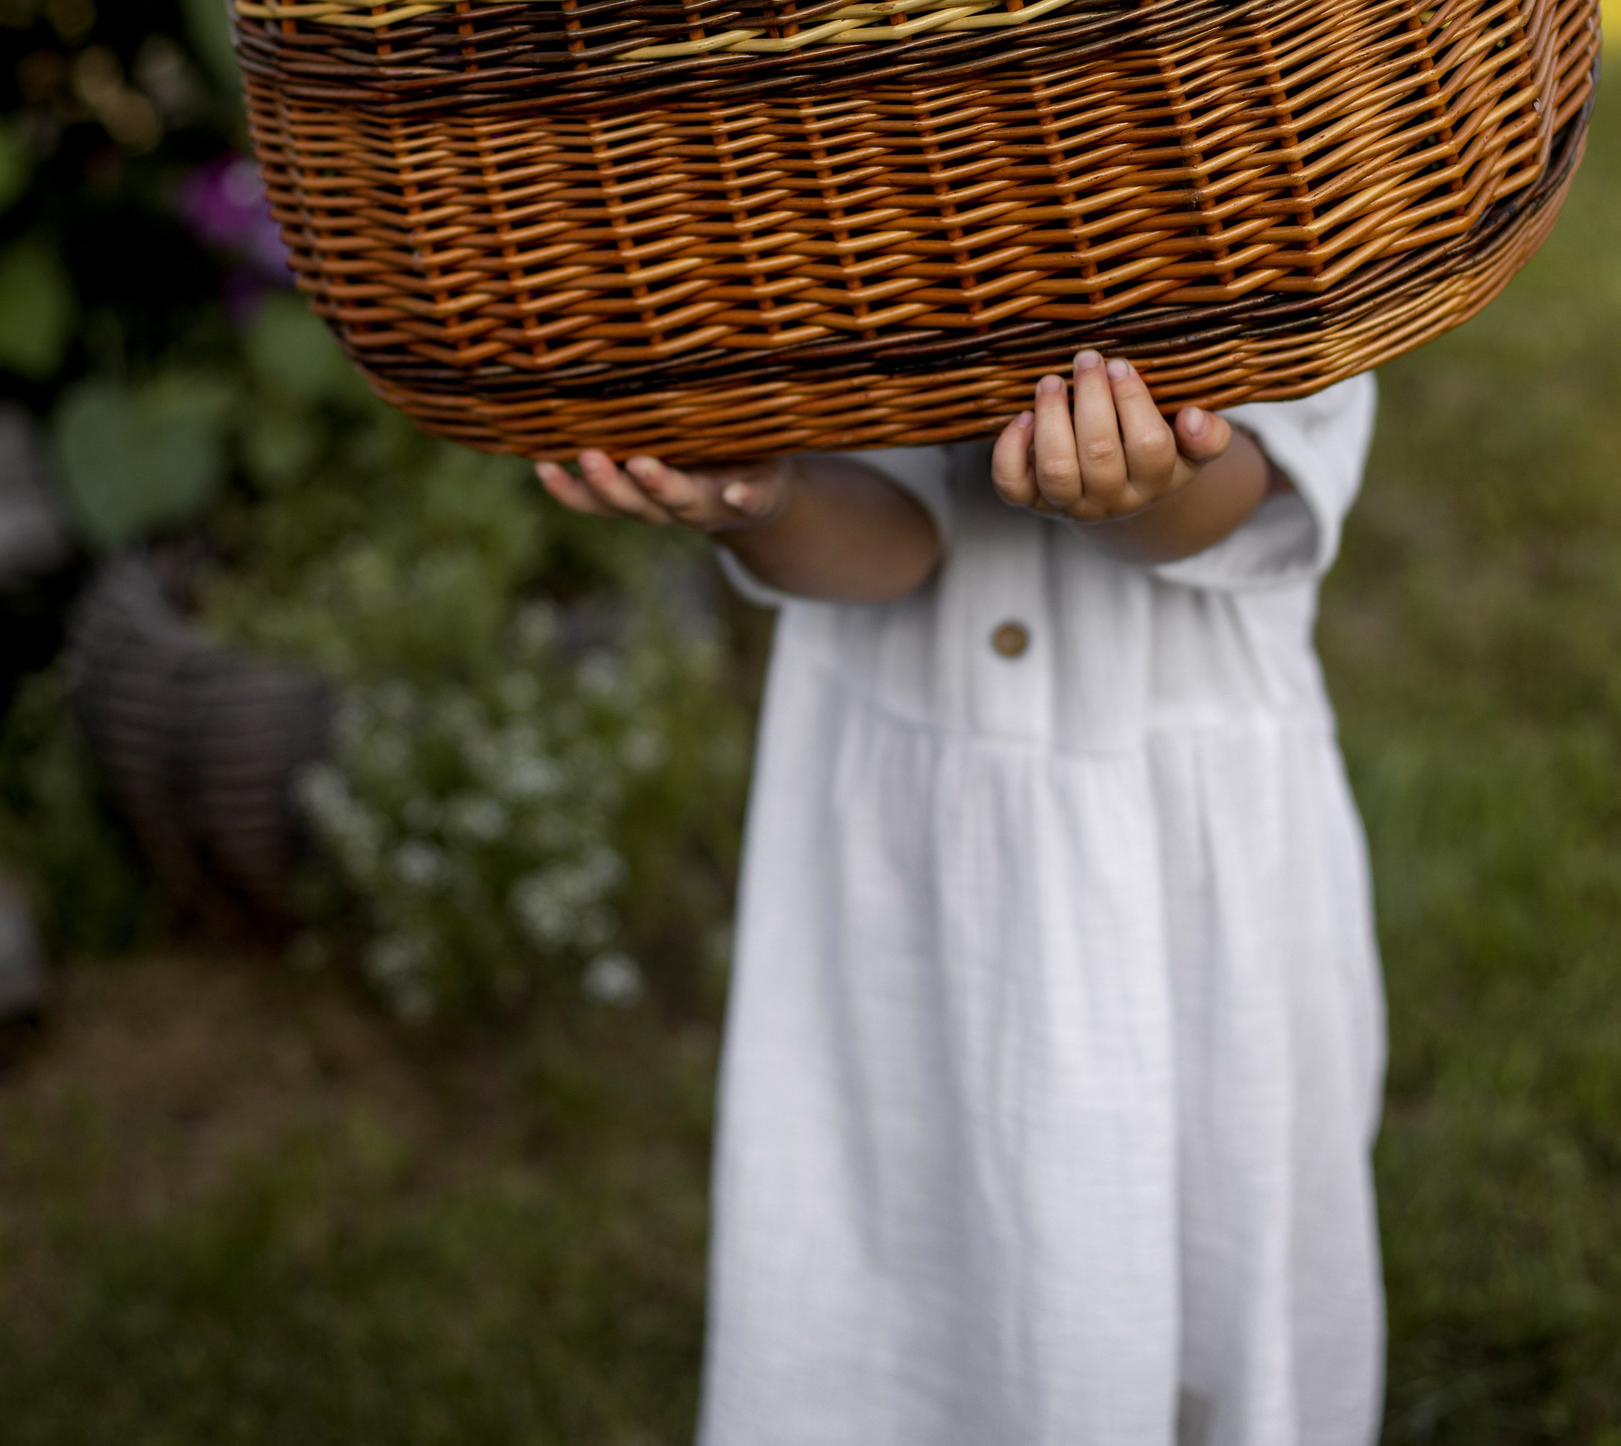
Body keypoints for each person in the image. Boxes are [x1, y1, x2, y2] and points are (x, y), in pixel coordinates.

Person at [536, 349, 1385, 1446]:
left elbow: (1243, 492)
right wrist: (758, 498)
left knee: (1196, 1246)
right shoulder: (877, 227)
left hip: (1170, 843)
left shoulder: (1256, 215)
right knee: (892, 1251)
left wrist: (1141, 481)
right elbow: (890, 536)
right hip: (899, 830)